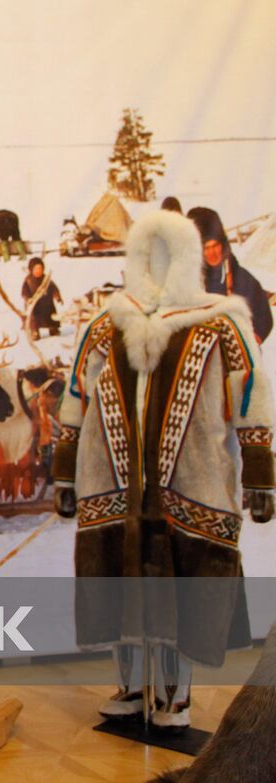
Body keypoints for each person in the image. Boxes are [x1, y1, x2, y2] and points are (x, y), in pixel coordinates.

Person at [55, 210, 274, 730]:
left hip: (192, 485)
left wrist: (261, 473)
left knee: (178, 587)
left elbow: (251, 397)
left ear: (189, 261)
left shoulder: (222, 323)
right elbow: (76, 396)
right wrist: (66, 471)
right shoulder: (105, 325)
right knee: (120, 584)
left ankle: (175, 697)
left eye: (170, 256)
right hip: (109, 482)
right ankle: (131, 688)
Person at [189, 206, 272, 343]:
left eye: (215, 246)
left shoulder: (242, 279)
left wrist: (254, 340)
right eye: (206, 248)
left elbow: (264, 317)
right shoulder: (192, 282)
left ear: (223, 244)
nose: (212, 253)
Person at [21, 257, 63, 339]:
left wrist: (57, 297)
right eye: (36, 269)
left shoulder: (46, 279)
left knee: (51, 316)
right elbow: (24, 291)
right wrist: (28, 298)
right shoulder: (28, 280)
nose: (38, 271)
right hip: (34, 305)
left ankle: (53, 328)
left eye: (40, 268)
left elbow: (54, 288)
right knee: (33, 319)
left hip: (47, 304)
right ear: (31, 269)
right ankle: (34, 332)